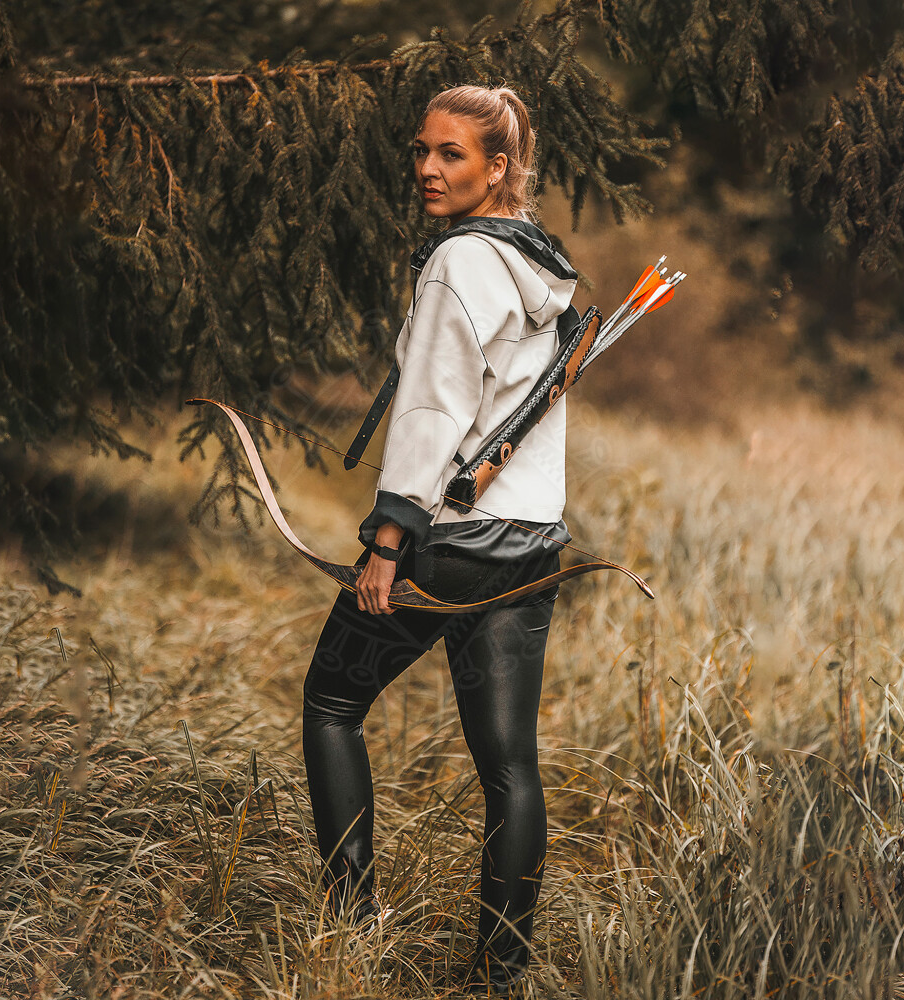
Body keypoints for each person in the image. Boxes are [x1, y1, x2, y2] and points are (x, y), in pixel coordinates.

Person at [301, 83, 579, 997]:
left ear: (497, 168)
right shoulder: (538, 259)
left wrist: (388, 545)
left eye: (450, 153)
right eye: (420, 150)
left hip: (448, 543)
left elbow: (431, 410)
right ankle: (500, 979)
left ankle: (353, 934)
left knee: (331, 704)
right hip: (528, 541)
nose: (426, 167)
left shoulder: (461, 259)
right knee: (510, 767)